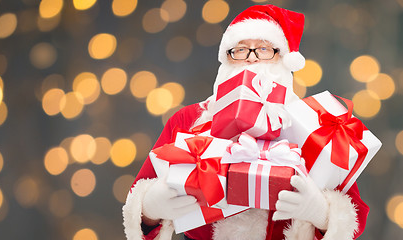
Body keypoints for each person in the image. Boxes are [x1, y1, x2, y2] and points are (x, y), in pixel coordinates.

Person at [122, 4, 368, 240]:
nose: (251, 59)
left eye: (264, 49)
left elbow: (354, 218)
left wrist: (321, 213)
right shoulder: (188, 119)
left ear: (282, 59)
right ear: (227, 59)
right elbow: (138, 201)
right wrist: (150, 209)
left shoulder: (314, 128)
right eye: (240, 49)